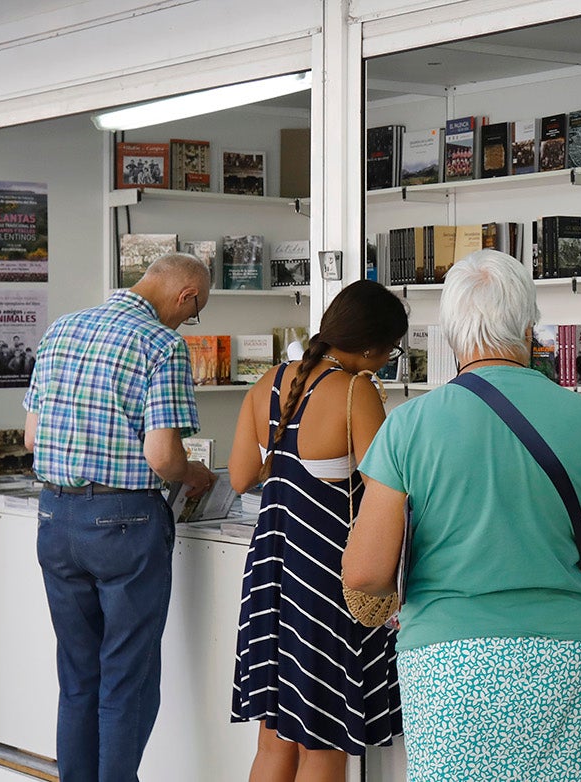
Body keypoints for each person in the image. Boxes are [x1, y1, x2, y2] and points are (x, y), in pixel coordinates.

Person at [342, 249, 581, 782]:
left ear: (452, 333)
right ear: (528, 327)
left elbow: (365, 571)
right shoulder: (580, 414)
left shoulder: (409, 426)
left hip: (448, 663)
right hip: (561, 657)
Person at [23, 252, 217, 782]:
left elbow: (31, 438)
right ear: (186, 296)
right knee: (125, 677)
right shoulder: (162, 344)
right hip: (123, 524)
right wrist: (194, 473)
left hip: (55, 517)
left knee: (78, 675)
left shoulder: (62, 329)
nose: (187, 320)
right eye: (194, 311)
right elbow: (161, 456)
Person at [226, 280, 409, 781]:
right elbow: (386, 489)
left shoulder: (267, 382)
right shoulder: (355, 391)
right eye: (390, 350)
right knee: (323, 744)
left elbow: (240, 476)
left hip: (271, 575)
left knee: (274, 741)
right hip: (326, 581)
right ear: (372, 345)